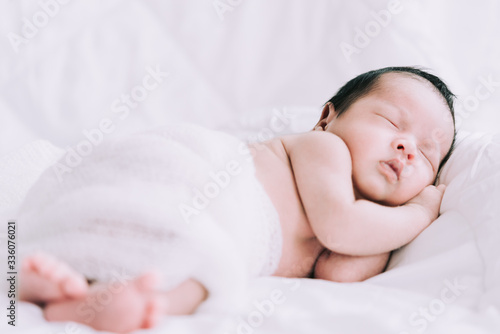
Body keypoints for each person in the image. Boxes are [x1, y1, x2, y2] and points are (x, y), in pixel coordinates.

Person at [18, 66, 456, 333]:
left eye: (427, 153)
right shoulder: (324, 149)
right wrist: (418, 212)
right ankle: (59, 260)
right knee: (161, 225)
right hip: (194, 177)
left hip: (225, 237)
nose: (407, 148)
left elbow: (340, 272)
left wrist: (390, 218)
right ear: (328, 117)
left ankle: (101, 296)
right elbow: (340, 226)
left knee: (209, 274)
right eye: (389, 121)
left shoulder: (365, 223)